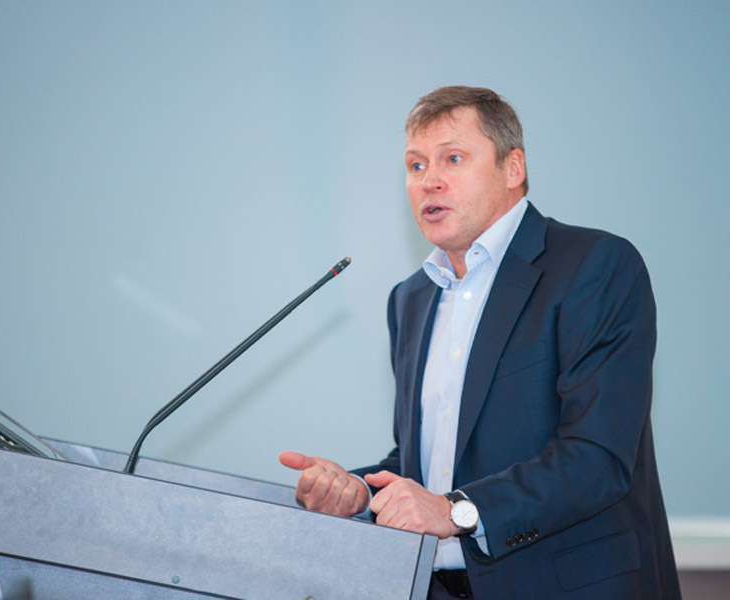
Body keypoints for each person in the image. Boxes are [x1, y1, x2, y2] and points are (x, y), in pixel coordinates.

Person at [280, 86, 681, 599]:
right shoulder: (410, 299)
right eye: (416, 165)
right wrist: (358, 490)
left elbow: (596, 456)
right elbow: (429, 461)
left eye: (452, 158)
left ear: (513, 168)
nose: (429, 180)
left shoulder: (593, 265)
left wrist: (456, 512)